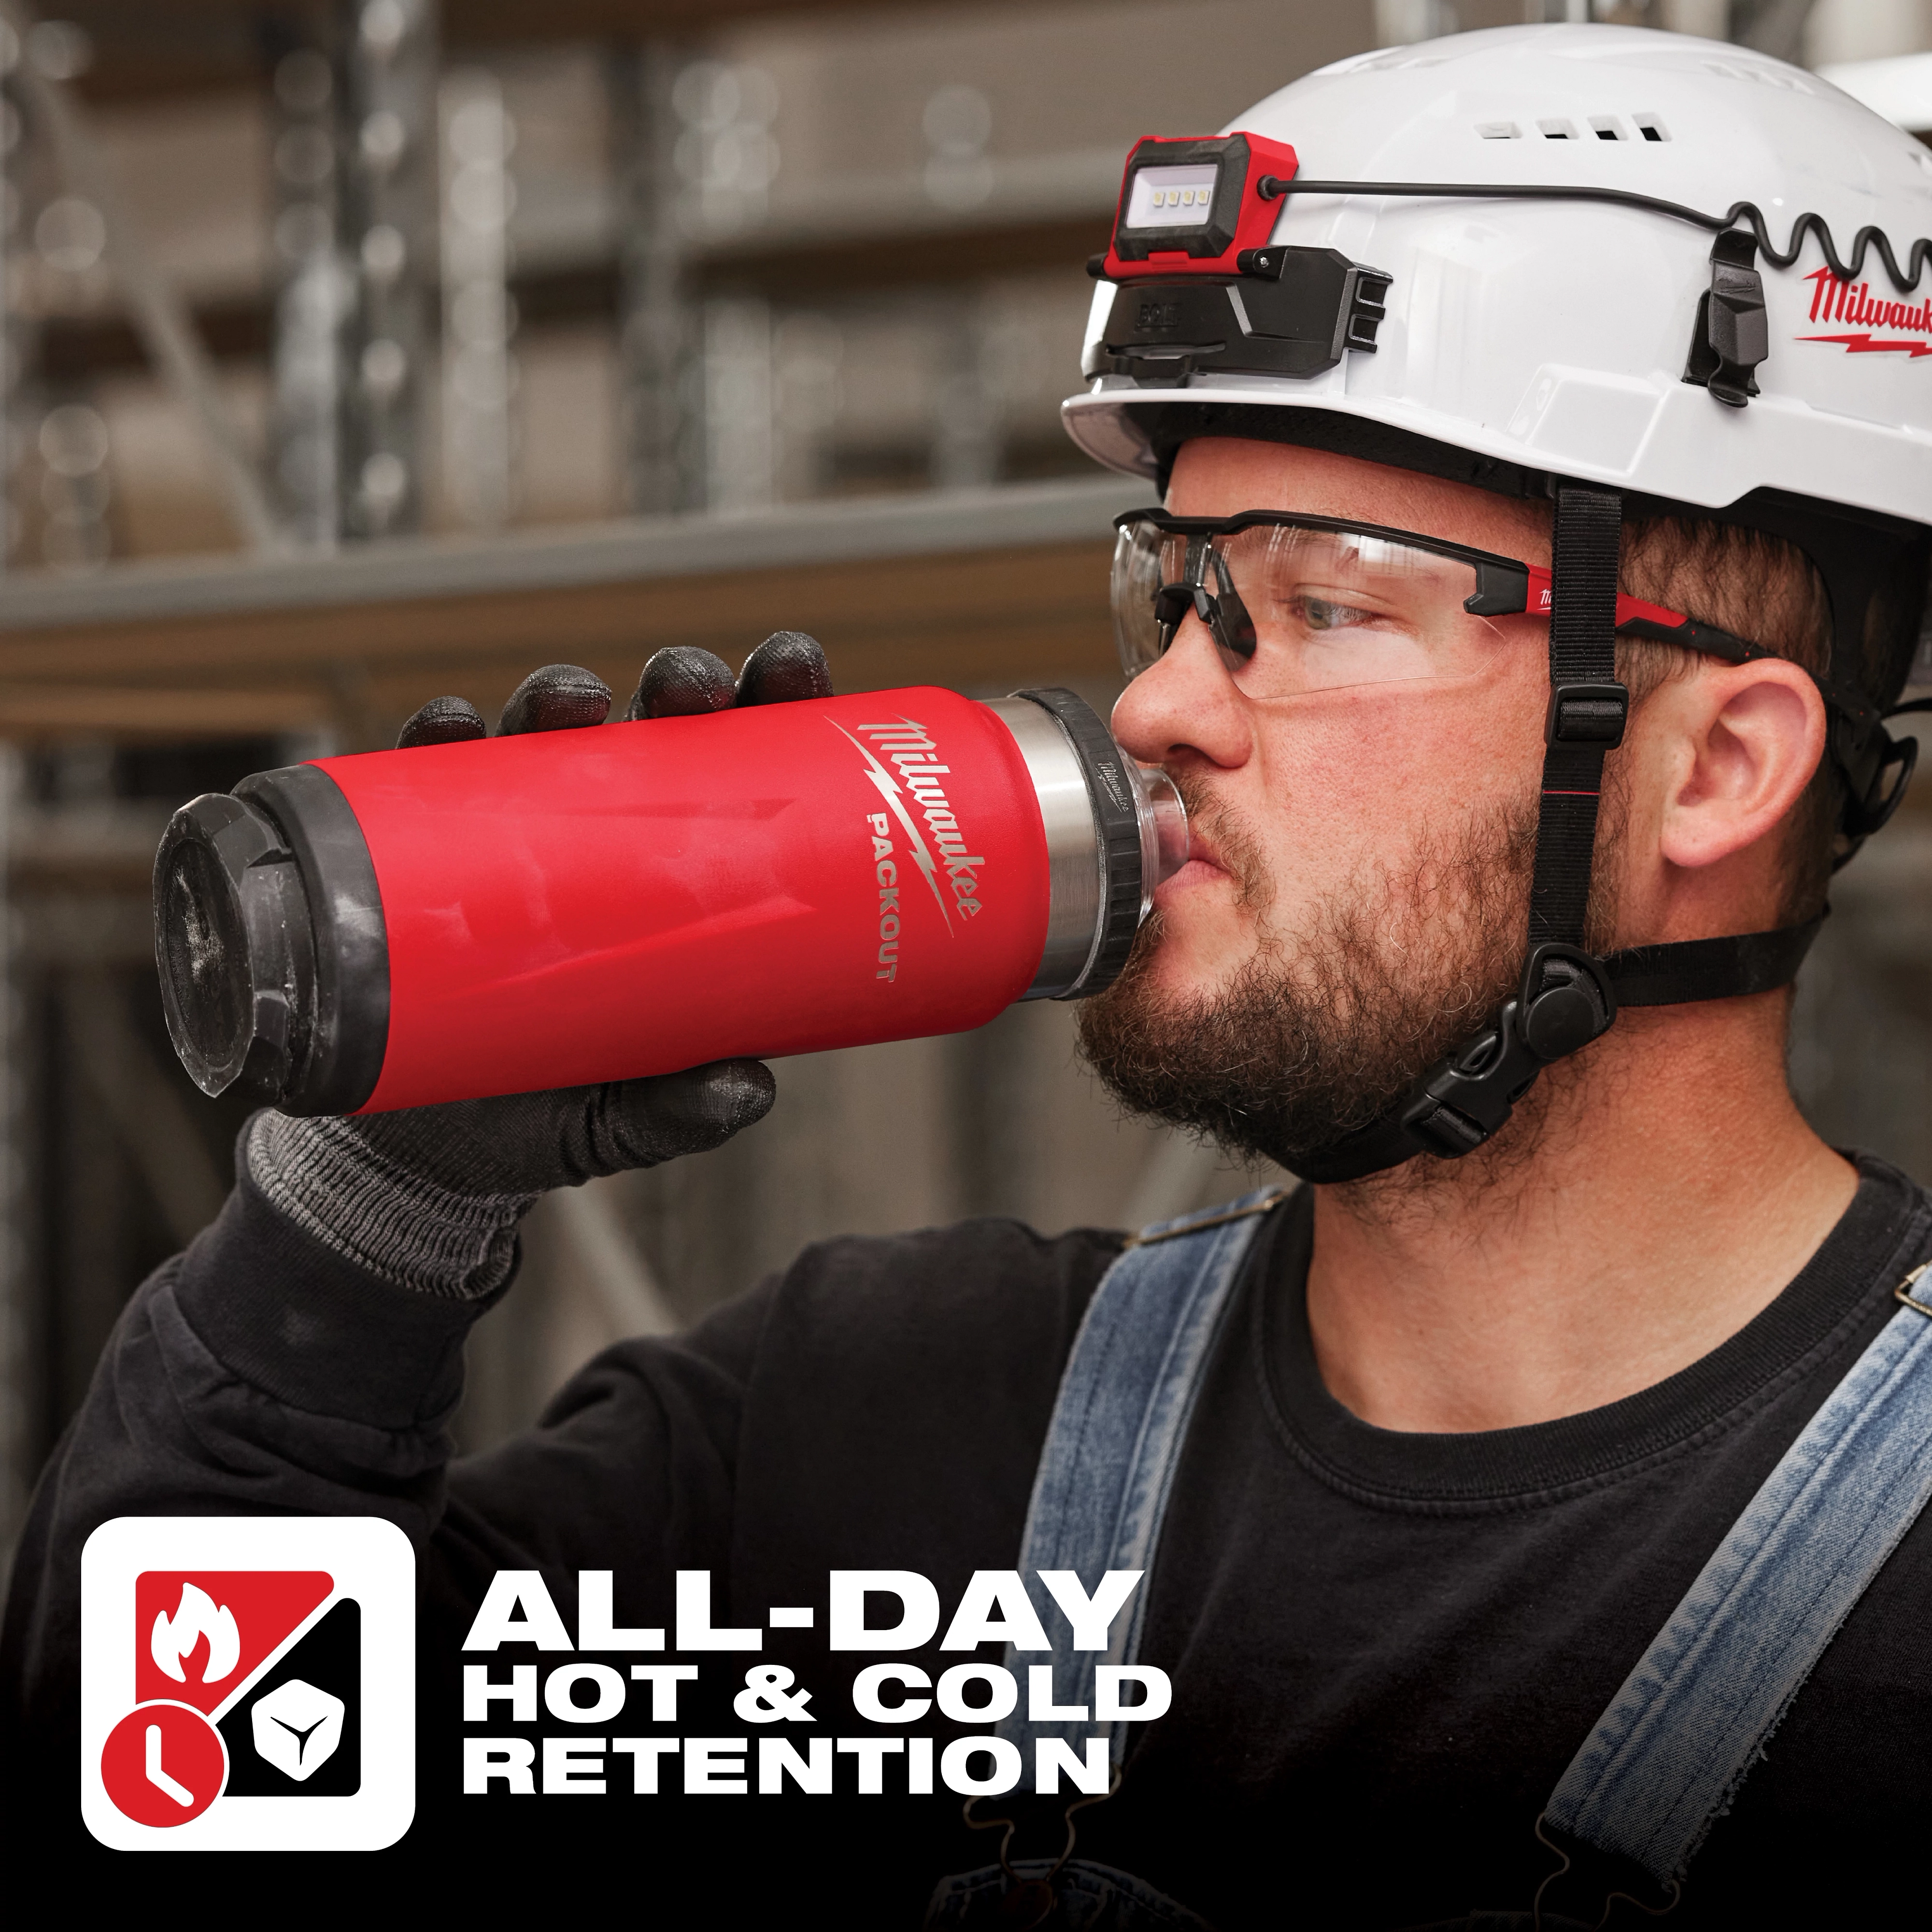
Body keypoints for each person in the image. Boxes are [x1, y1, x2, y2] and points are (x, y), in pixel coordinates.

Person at [7, 22, 1932, 1926]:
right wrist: (372, 1207)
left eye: (1319, 605)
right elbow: (182, 1806)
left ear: (1718, 765)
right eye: (1176, 592)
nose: (1164, 702)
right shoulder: (878, 1447)